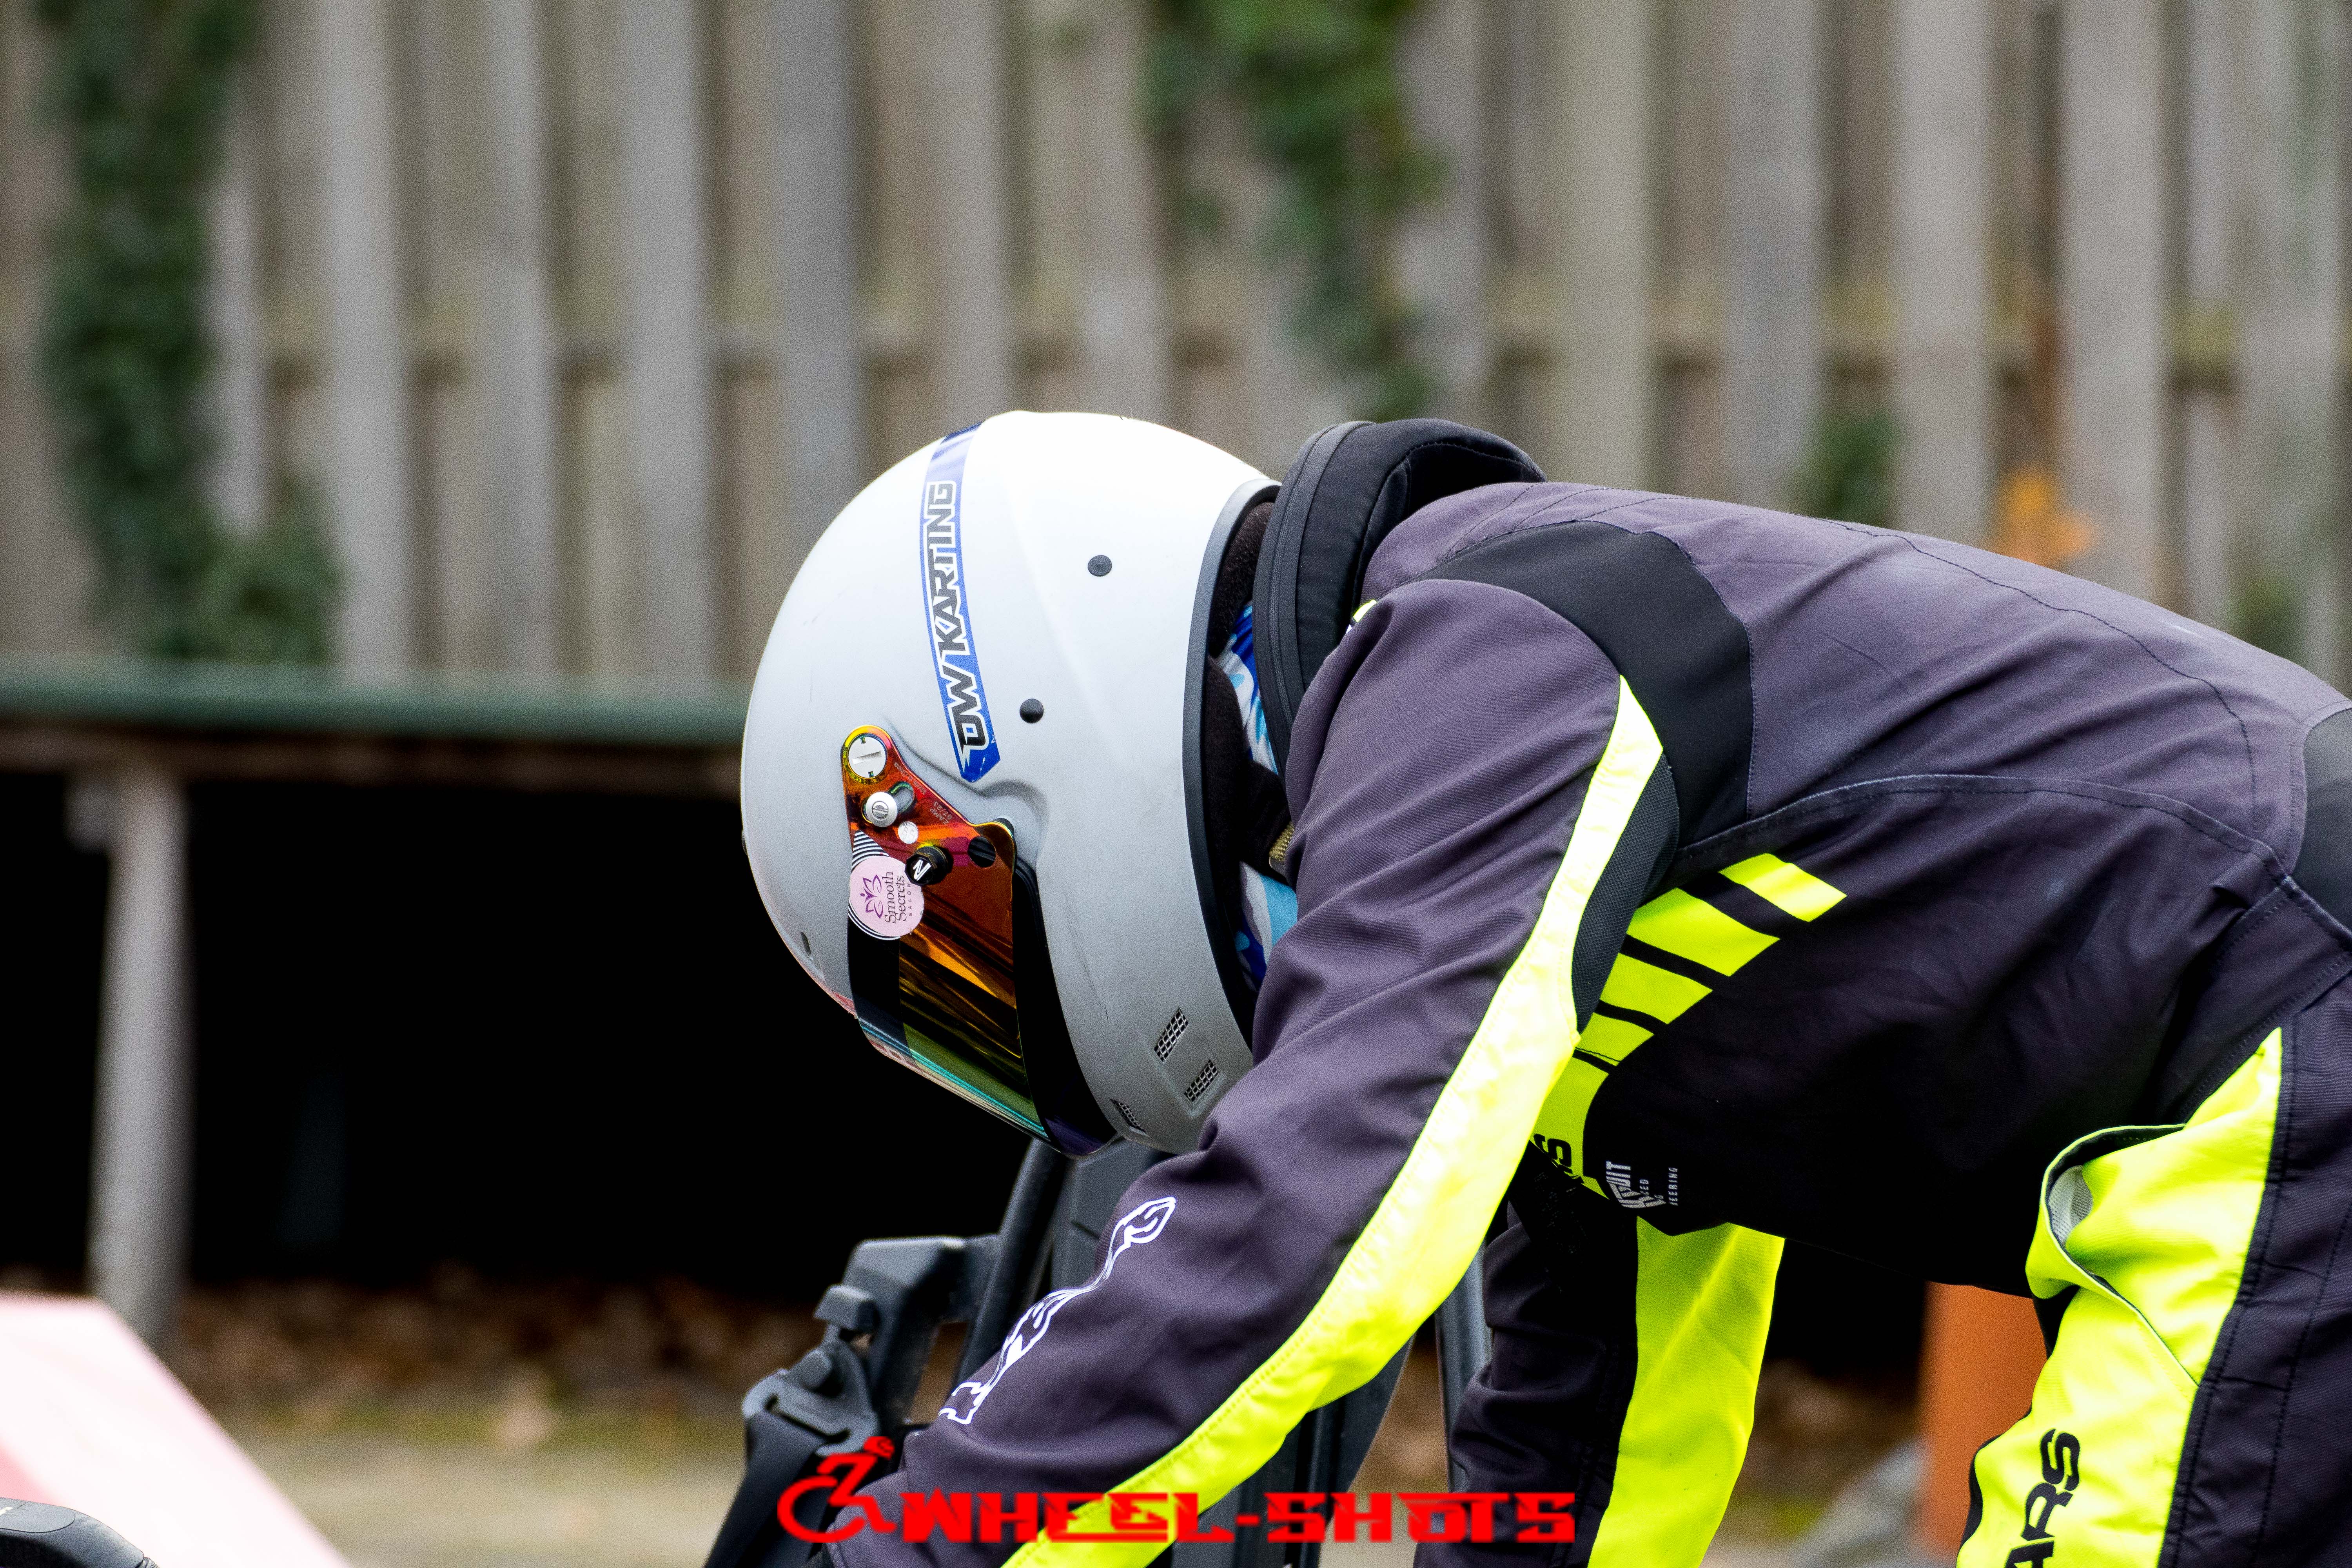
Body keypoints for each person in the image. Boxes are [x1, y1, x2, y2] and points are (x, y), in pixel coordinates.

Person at [739, 412, 2352, 1568]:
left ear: (1034, 724)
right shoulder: (1507, 824)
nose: (1007, 1026)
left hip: (2284, 1045)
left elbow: (1309, 1229)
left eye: (965, 957)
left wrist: (912, 1534)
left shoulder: (1483, 662)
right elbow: (1607, 1427)